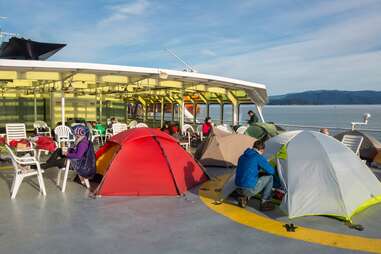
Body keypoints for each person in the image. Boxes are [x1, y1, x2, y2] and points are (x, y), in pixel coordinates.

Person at [235, 140, 275, 211]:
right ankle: (264, 202)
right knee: (270, 177)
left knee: (251, 178)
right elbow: (272, 171)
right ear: (262, 150)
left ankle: (244, 198)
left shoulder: (242, 156)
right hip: (248, 189)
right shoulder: (258, 157)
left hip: (237, 187)